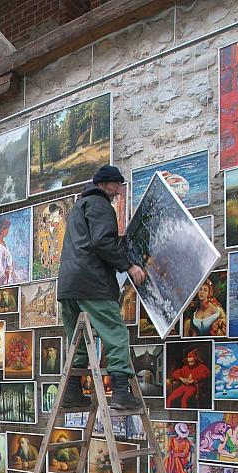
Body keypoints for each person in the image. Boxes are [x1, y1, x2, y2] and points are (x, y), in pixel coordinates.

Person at [57, 165, 145, 411]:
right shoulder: (100, 205)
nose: (118, 191)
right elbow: (102, 241)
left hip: (68, 286)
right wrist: (128, 266)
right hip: (92, 283)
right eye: (115, 185)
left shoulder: (78, 208)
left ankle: (72, 392)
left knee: (77, 339)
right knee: (115, 332)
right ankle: (120, 392)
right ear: (103, 184)